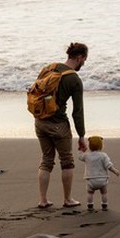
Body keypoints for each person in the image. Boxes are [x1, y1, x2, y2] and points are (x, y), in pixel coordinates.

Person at [34, 42, 88, 209]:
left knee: (46, 161)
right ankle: (68, 199)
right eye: (84, 60)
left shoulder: (50, 68)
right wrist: (81, 135)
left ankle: (43, 200)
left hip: (40, 121)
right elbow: (77, 111)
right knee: (67, 162)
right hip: (58, 125)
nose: (84, 63)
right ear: (79, 57)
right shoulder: (74, 79)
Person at [79, 135, 120, 210]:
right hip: (102, 179)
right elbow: (108, 165)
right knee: (104, 193)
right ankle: (104, 205)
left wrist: (81, 150)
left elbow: (80, 157)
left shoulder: (87, 156)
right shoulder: (103, 155)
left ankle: (90, 205)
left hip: (90, 179)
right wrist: (115, 170)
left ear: (89, 146)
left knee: (90, 193)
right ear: (101, 145)